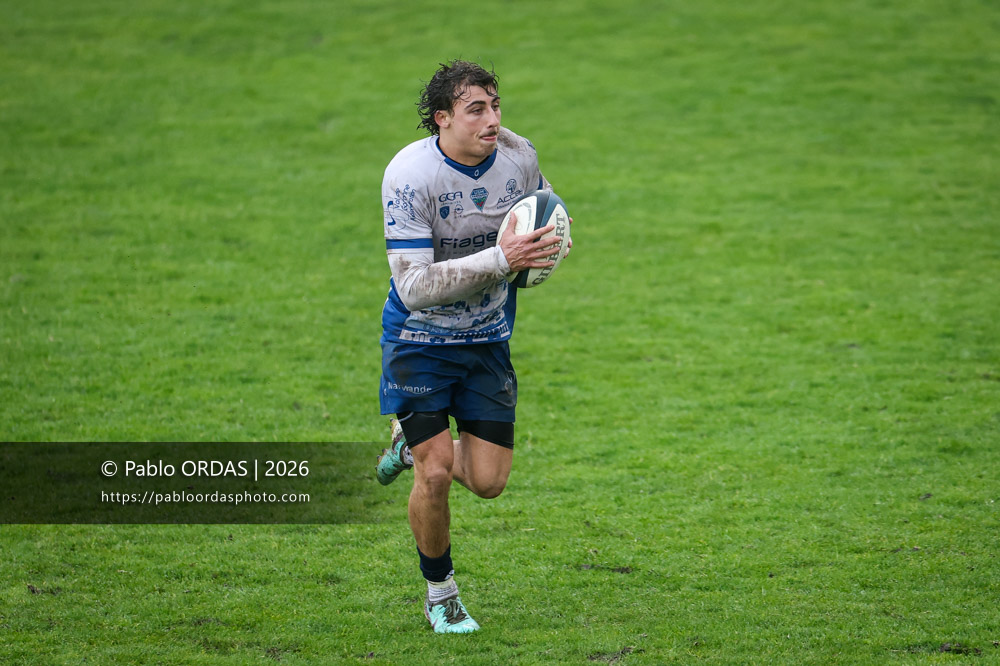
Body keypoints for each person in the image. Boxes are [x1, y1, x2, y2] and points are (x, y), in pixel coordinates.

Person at [376, 60, 569, 634]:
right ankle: (442, 593)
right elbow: (411, 287)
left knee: (487, 482)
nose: (492, 119)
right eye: (476, 109)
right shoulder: (409, 176)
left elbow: (547, 215)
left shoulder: (518, 156)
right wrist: (502, 260)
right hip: (419, 342)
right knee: (436, 473)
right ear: (442, 119)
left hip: (487, 340)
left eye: (495, 105)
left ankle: (412, 443)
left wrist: (549, 244)